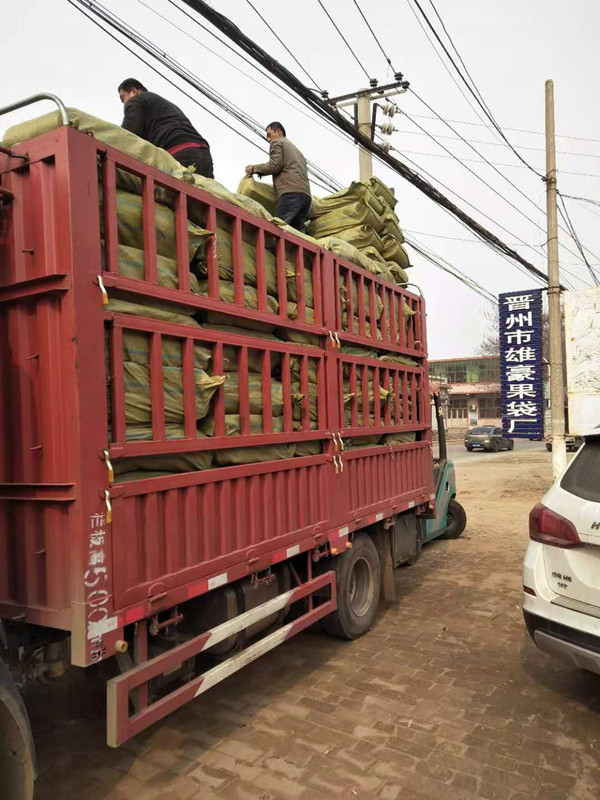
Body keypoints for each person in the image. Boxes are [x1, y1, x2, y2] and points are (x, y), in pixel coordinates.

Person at [118, 78, 214, 178]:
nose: (123, 102)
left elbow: (128, 133)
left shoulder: (136, 100)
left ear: (134, 91)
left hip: (178, 152)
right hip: (204, 154)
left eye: (123, 97)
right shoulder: (162, 105)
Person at [246, 122, 311, 231]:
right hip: (305, 196)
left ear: (278, 131)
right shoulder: (298, 152)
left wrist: (254, 169)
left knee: (276, 230)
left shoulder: (277, 142)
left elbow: (275, 165)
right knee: (296, 236)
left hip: (290, 193)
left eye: (269, 134)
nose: (269, 139)